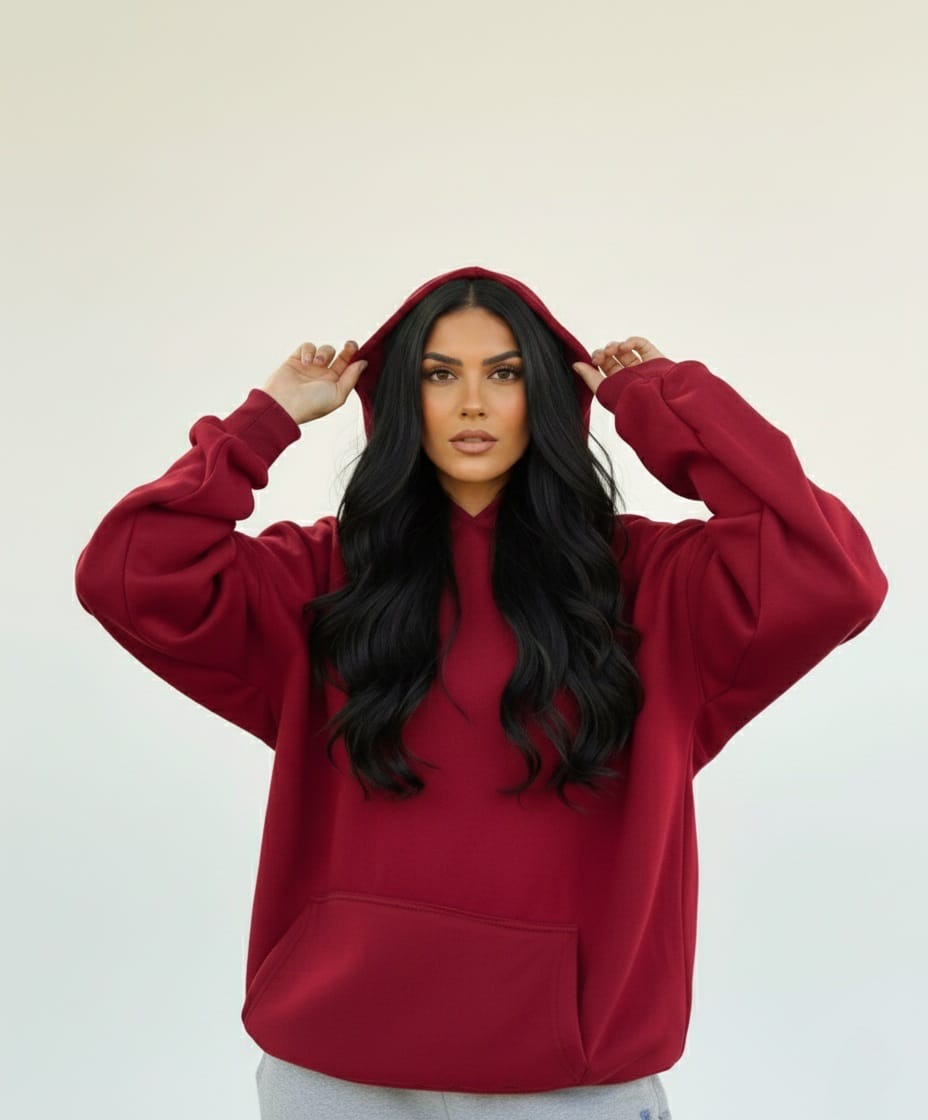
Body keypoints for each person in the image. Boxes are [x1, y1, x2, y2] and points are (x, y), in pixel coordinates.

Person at [74, 265, 889, 1119]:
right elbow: (129, 573)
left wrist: (666, 404)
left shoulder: (650, 585)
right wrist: (261, 425)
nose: (471, 403)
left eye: (503, 373)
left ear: (545, 393)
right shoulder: (319, 580)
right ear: (397, 399)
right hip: (337, 1075)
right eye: (438, 374)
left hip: (571, 1088)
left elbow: (831, 575)